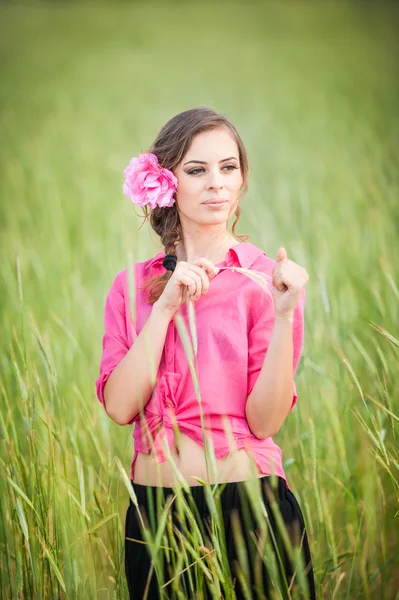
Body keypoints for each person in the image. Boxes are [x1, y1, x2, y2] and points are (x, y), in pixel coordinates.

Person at [95, 107, 315, 599]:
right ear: (166, 181)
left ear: (241, 179)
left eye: (228, 167)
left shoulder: (266, 281)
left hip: (249, 513)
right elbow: (119, 406)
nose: (217, 183)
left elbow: (266, 421)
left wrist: (284, 314)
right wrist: (165, 308)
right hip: (156, 519)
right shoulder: (130, 289)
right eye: (197, 170)